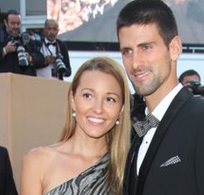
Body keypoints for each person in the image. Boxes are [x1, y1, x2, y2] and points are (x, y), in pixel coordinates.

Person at [117, 0, 204, 194]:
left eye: (146, 47)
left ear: (175, 48)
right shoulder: (138, 133)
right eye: (127, 51)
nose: (135, 63)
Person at [20, 57, 131, 194]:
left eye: (109, 99)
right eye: (88, 96)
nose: (98, 109)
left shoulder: (128, 168)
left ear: (121, 110)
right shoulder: (37, 161)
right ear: (72, 100)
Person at [0, 9, 45, 76]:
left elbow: (41, 59)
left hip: (24, 81)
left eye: (18, 23)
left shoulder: (26, 39)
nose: (16, 26)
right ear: (5, 23)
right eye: (13, 23)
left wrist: (30, 58)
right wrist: (5, 50)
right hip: (3, 81)